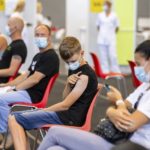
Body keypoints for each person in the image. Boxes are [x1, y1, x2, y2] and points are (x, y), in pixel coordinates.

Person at [33, 40, 150, 150]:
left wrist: (118, 102)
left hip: (131, 144)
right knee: (55, 149)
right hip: (121, 138)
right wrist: (113, 110)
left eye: (138, 64)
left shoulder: (86, 75)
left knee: (54, 132)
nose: (135, 69)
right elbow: (116, 111)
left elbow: (128, 124)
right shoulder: (144, 86)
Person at [8, 36, 98, 150]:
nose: (71, 64)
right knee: (15, 118)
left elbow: (65, 105)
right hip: (67, 114)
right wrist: (68, 84)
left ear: (82, 53)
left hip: (70, 118)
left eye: (73, 61)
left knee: (14, 119)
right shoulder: (75, 69)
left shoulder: (84, 76)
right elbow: (65, 97)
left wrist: (44, 110)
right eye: (68, 62)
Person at [0, 24, 59, 148]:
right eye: (37, 35)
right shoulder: (38, 56)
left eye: (42, 35)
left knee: (2, 99)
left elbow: (35, 79)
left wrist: (15, 89)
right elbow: (26, 75)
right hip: (26, 92)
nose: (39, 37)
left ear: (49, 36)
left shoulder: (51, 56)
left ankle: (6, 133)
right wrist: (7, 85)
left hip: (33, 96)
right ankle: (6, 131)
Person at [0, 16, 27, 83]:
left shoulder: (19, 46)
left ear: (15, 28)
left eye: (8, 25)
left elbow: (12, 71)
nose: (6, 27)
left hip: (2, 81)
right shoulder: (13, 44)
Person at [96, 0, 120, 73]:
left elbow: (117, 27)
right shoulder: (100, 15)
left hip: (111, 39)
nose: (105, 6)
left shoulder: (114, 15)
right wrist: (103, 32)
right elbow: (98, 26)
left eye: (106, 5)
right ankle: (105, 71)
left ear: (110, 6)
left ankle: (115, 70)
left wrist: (111, 33)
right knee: (103, 56)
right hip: (101, 38)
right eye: (104, 5)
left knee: (113, 55)